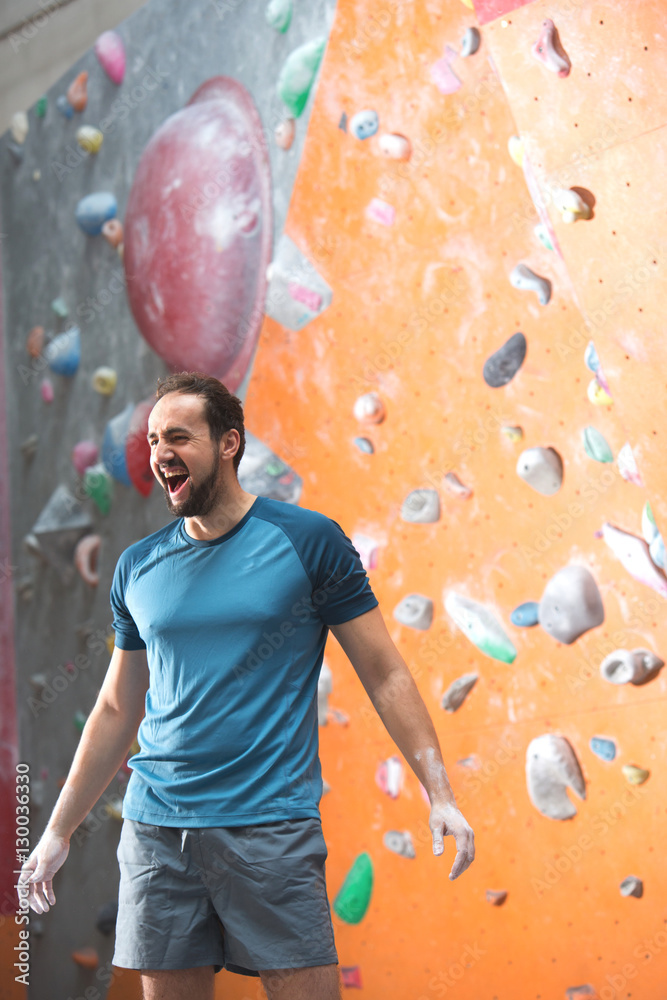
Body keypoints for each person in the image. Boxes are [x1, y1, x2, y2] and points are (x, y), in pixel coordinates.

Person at [19, 371, 475, 1000]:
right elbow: (117, 706)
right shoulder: (138, 566)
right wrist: (57, 830)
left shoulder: (308, 541)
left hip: (271, 828)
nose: (158, 454)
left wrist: (439, 789)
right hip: (157, 833)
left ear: (229, 442)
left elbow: (385, 671)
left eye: (177, 436)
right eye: (152, 440)